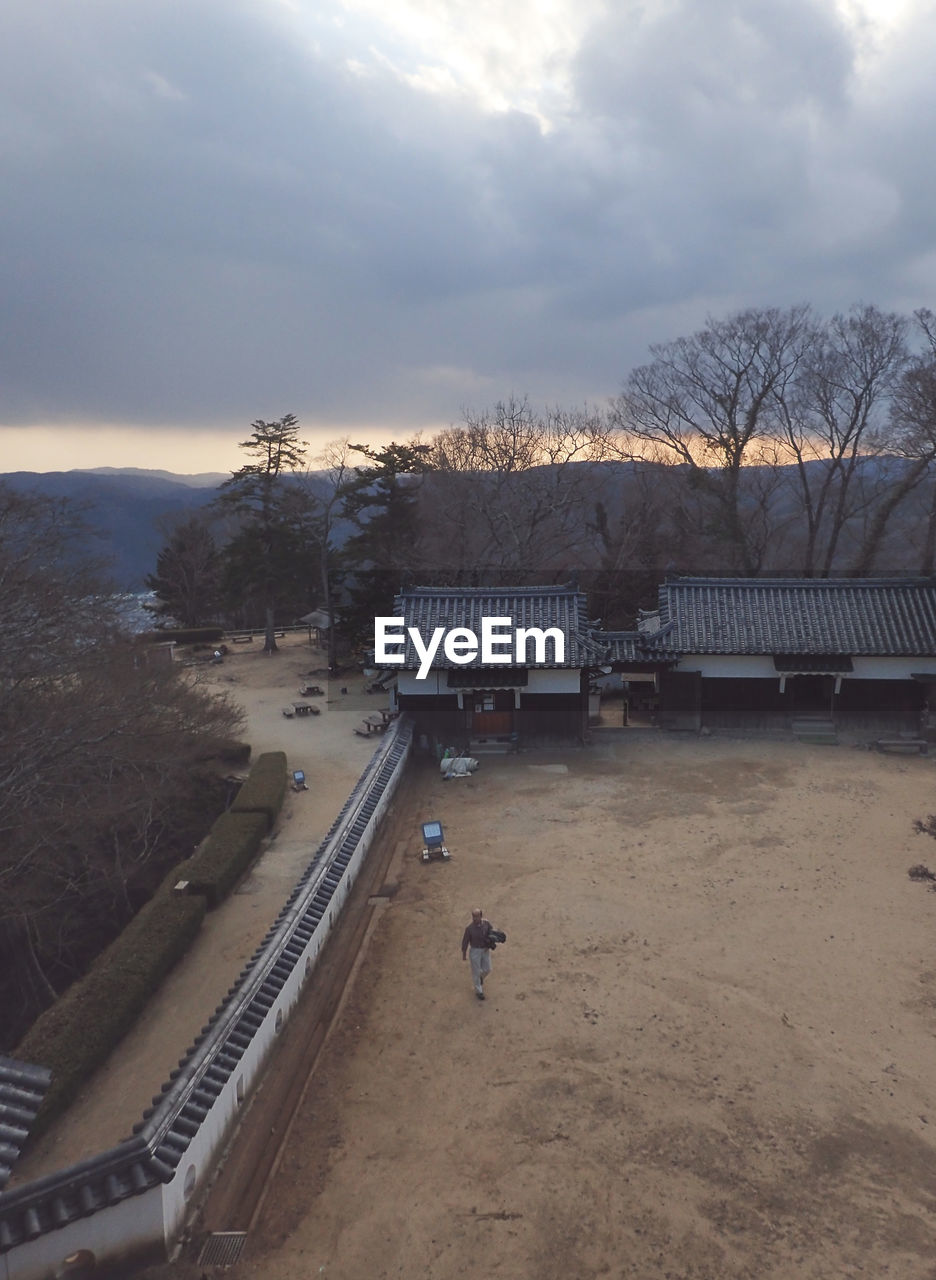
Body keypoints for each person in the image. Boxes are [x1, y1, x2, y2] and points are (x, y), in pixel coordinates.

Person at [461, 907, 493, 1000]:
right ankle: (479, 991)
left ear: (481, 916)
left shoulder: (486, 923)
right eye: (473, 916)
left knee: (488, 969)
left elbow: (491, 932)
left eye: (477, 916)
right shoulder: (469, 929)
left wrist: (491, 942)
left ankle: (480, 978)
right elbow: (465, 941)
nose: (475, 919)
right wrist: (464, 953)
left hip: (485, 949)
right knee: (476, 971)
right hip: (475, 951)